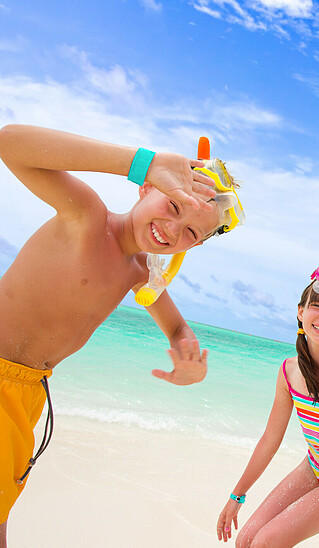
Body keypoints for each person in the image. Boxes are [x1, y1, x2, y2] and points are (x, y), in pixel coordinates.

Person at [0, 124, 244, 546]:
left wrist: (188, 359)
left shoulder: (140, 272)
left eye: (190, 232)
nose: (173, 229)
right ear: (146, 188)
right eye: (173, 205)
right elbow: (9, 143)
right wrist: (140, 161)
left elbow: (177, 327)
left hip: (28, 394)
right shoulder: (87, 217)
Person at [217, 264, 319, 548]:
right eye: (317, 306)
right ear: (301, 312)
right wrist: (236, 496)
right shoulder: (289, 371)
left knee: (265, 543)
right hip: (314, 465)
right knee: (246, 541)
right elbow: (270, 440)